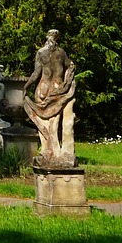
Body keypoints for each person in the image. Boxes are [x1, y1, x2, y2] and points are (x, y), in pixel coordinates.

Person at [23, 29, 77, 168]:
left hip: (43, 87)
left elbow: (36, 73)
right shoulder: (61, 53)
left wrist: (26, 86)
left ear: (47, 38)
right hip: (57, 87)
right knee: (54, 122)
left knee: (44, 122)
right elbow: (70, 66)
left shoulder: (41, 52)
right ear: (57, 38)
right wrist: (69, 80)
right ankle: (54, 152)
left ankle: (48, 152)